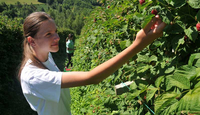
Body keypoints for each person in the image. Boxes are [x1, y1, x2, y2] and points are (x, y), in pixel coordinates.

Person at [18, 11, 166, 115]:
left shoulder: (45, 56)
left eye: (55, 31)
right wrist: (138, 45)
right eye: (48, 34)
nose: (57, 37)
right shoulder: (32, 77)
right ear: (32, 41)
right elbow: (92, 77)